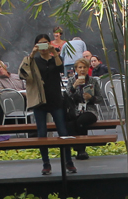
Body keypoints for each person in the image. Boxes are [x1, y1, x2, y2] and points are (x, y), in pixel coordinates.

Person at [19, 34, 76, 175]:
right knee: (42, 133)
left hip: (56, 100)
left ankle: (69, 161)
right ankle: (46, 164)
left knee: (63, 132)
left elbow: (60, 68)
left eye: (45, 43)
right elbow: (24, 72)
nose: (43, 47)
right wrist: (33, 53)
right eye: (40, 44)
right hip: (40, 101)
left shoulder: (55, 58)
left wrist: (54, 52)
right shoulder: (34, 60)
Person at [66, 58, 102, 160]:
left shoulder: (93, 81)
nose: (82, 69)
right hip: (75, 109)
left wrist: (91, 98)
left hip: (89, 109)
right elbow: (67, 96)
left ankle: (81, 150)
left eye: (85, 67)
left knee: (81, 121)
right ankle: (80, 150)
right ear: (76, 69)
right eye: (80, 67)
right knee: (71, 123)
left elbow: (100, 99)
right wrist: (74, 86)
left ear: (88, 69)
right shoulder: (71, 80)